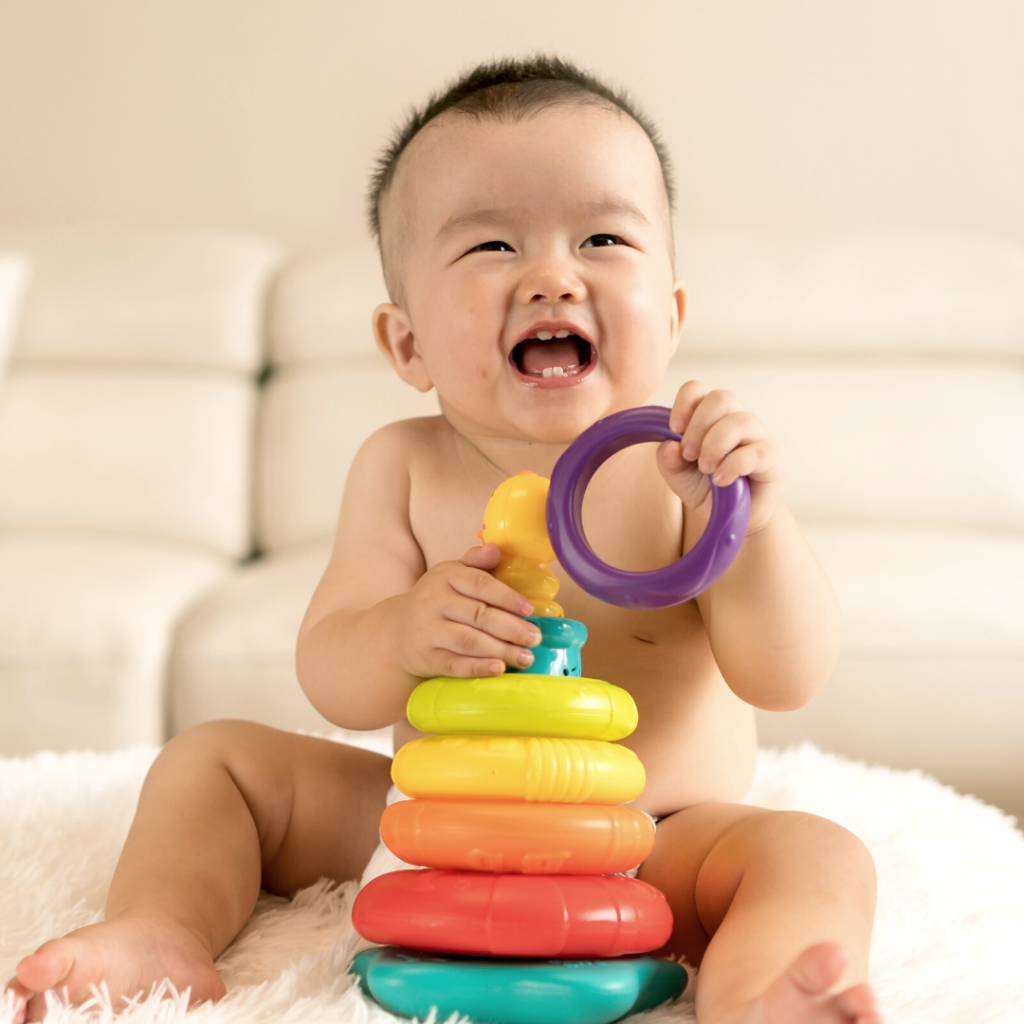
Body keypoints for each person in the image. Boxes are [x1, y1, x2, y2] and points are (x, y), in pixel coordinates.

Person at [6, 56, 881, 1024]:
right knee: (213, 759)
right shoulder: (402, 466)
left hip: (647, 840)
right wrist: (398, 633)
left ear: (669, 317)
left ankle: (764, 992)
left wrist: (755, 523)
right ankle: (158, 929)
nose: (552, 274)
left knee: (815, 850)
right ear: (406, 343)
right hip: (430, 831)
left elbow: (784, 676)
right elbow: (334, 676)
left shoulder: (688, 474)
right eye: (492, 247)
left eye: (599, 236)